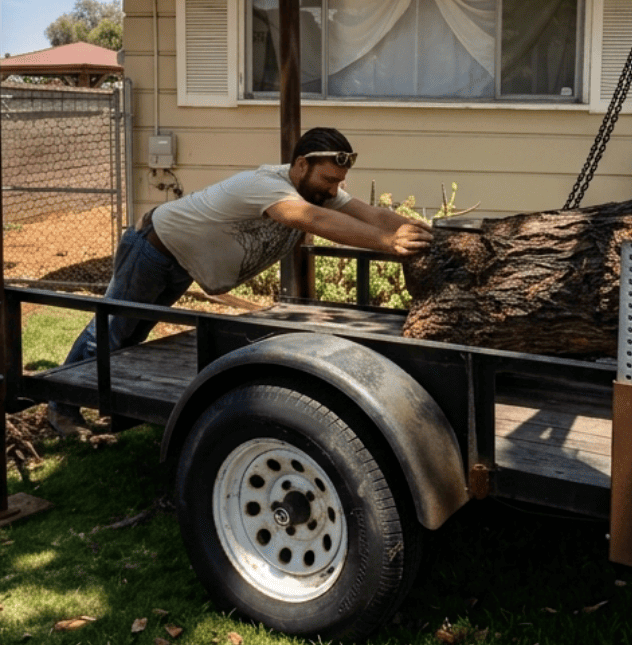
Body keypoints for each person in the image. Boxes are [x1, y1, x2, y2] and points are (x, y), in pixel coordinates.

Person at [48, 126, 433, 434]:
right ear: (301, 165)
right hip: (153, 250)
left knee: (132, 335)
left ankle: (109, 407)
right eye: (329, 180)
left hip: (180, 262)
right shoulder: (268, 186)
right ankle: (61, 407)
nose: (333, 190)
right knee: (112, 331)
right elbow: (312, 221)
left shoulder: (318, 192)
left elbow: (372, 216)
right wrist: (387, 243)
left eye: (339, 182)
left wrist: (424, 234)